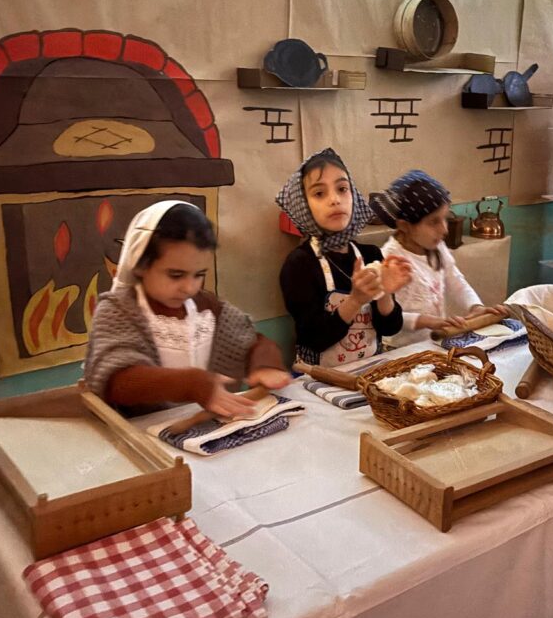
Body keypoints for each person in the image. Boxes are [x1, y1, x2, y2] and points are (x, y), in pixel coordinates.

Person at [84, 201, 290, 417]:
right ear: (141, 264)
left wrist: (266, 363)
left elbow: (251, 341)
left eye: (199, 275)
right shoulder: (118, 310)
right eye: (176, 275)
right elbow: (118, 381)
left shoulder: (208, 307)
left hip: (207, 424)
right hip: (142, 430)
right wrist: (194, 384)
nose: (190, 287)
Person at [278, 148, 412, 367]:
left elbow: (390, 328)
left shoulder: (371, 255)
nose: (334, 200)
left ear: (354, 196)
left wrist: (385, 294)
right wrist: (355, 300)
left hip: (370, 371)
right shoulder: (299, 264)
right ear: (303, 206)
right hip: (319, 378)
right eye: (319, 193)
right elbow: (314, 339)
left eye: (342, 189)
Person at [369, 170, 505, 347]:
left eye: (445, 219)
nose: (444, 229)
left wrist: (475, 307)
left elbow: (456, 281)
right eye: (434, 222)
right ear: (404, 226)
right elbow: (387, 316)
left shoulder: (437, 247)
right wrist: (426, 321)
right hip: (398, 349)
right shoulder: (390, 258)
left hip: (433, 343)